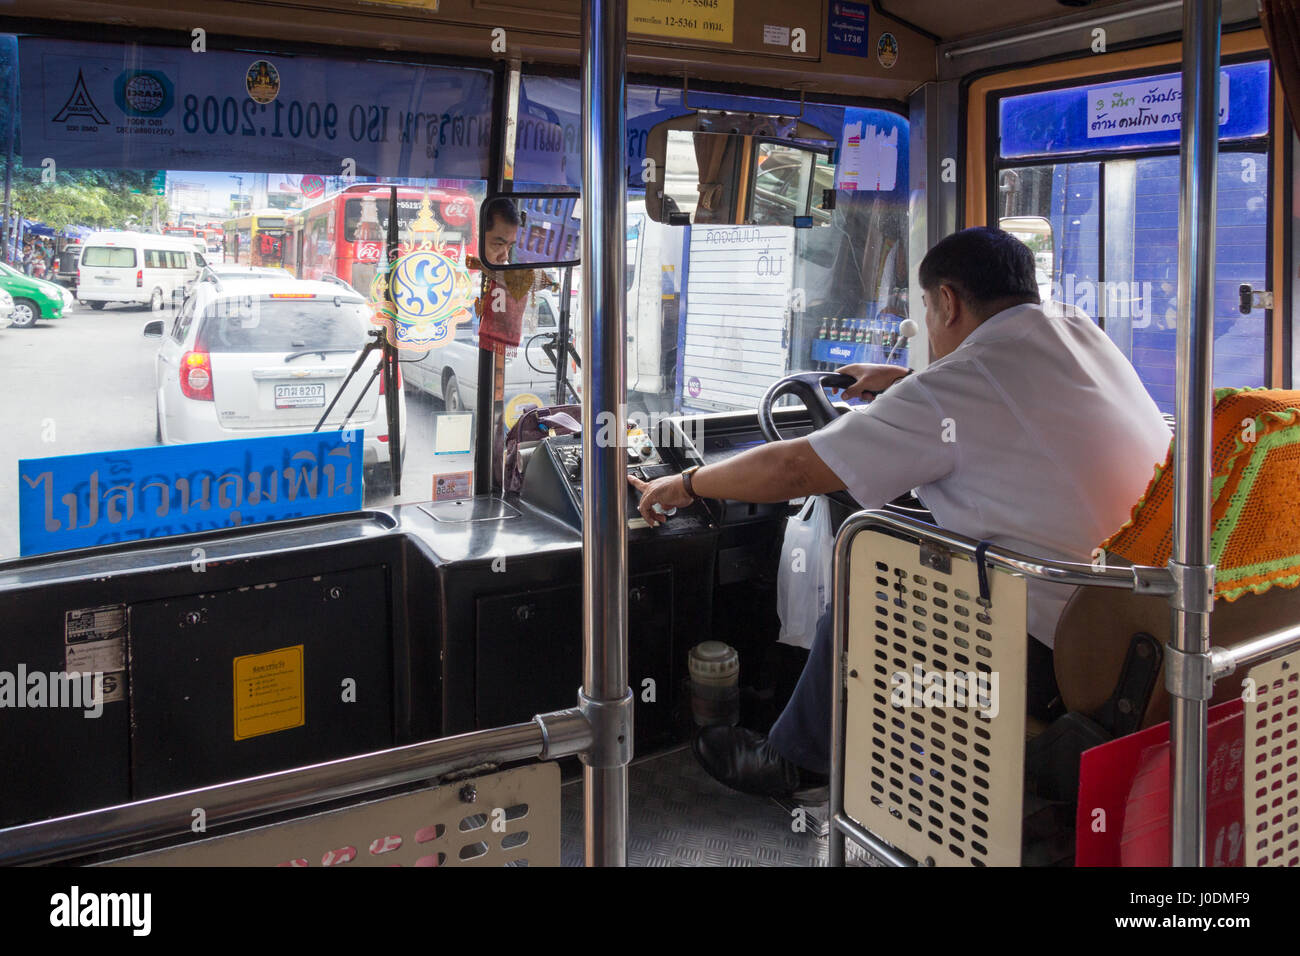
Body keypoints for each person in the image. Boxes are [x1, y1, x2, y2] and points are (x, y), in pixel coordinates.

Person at [628, 227, 1172, 799]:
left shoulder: (960, 384)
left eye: (927, 310)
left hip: (1064, 658)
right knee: (901, 543)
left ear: (948, 301)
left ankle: (795, 762)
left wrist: (690, 481)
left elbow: (795, 471)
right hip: (1145, 625)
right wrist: (908, 382)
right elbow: (1014, 402)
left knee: (869, 580)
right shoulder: (1075, 329)